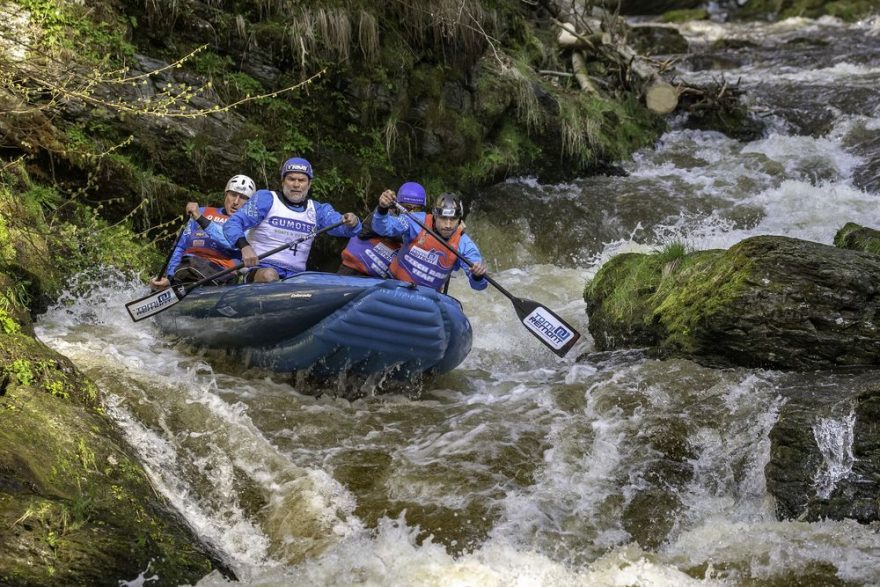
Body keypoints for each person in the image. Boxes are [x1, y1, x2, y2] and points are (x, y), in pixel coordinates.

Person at [223, 157, 361, 282]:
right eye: (291, 179)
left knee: (318, 281)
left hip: (296, 277)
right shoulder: (266, 199)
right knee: (270, 276)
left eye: (301, 180)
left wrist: (352, 222)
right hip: (260, 268)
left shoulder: (318, 210)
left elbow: (345, 228)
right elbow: (232, 224)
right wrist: (244, 247)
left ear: (309, 184)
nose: (296, 185)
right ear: (283, 181)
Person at [150, 174, 256, 290]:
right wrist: (170, 277)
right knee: (184, 268)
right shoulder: (202, 211)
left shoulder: (249, 226)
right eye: (233, 194)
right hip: (187, 267)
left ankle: (184, 286)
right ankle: (176, 286)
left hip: (220, 274)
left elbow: (230, 241)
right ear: (226, 194)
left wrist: (200, 218)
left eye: (243, 197)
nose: (236, 201)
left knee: (192, 269)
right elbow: (180, 246)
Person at [372, 191, 488, 292]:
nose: (448, 225)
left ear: (459, 219)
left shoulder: (465, 245)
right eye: (443, 218)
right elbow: (382, 228)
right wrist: (382, 208)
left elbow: (479, 286)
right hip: (394, 283)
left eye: (453, 219)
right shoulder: (417, 221)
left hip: (427, 298)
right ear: (435, 215)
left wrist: (477, 276)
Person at [338, 181, 427, 278]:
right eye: (407, 208)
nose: (412, 213)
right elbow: (386, 226)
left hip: (378, 282)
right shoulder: (381, 217)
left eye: (417, 209)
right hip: (352, 271)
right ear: (398, 205)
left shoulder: (418, 226)